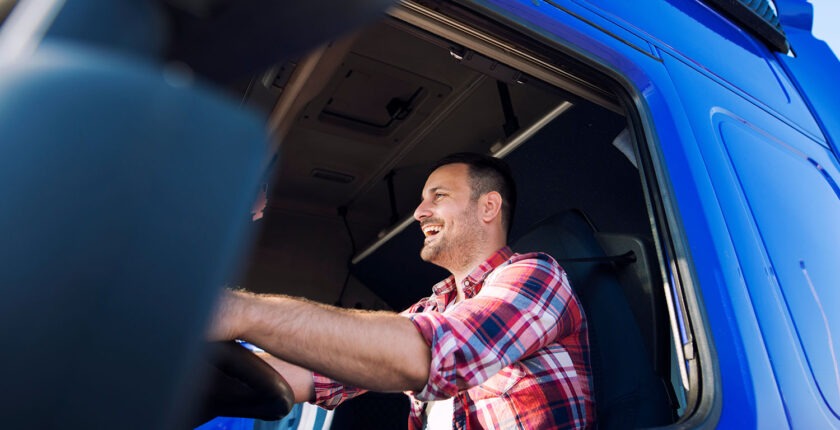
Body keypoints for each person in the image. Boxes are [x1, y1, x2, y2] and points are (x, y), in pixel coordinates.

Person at [209, 153, 594, 429]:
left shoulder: (537, 275)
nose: (419, 212)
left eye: (438, 196)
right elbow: (316, 372)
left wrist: (242, 312)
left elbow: (437, 354)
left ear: (489, 206)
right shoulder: (433, 308)